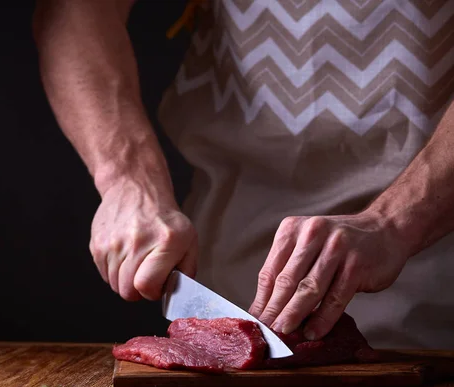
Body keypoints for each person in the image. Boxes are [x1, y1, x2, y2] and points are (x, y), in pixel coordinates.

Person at [32, 0, 454, 349]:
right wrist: (127, 181)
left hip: (431, 277)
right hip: (227, 269)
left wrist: (394, 222)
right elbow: (75, 10)